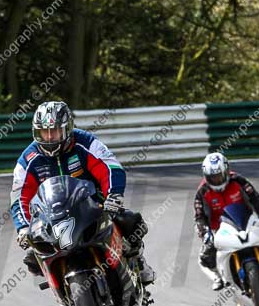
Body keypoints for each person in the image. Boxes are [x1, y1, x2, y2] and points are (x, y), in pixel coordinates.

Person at [10, 101, 154, 285]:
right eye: (43, 132)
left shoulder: (86, 142)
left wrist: (114, 196)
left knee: (131, 223)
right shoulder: (28, 159)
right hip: (53, 219)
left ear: (68, 128)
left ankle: (139, 261)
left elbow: (110, 167)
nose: (49, 137)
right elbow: (18, 196)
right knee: (33, 258)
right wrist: (23, 227)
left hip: (93, 207)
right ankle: (60, 289)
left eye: (54, 131)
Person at [194, 152, 259, 291]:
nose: (216, 180)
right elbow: (199, 216)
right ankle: (218, 277)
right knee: (206, 255)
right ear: (206, 176)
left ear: (226, 171)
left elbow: (255, 198)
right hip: (218, 228)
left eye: (219, 176)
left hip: (245, 220)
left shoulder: (238, 180)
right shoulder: (202, 191)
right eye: (212, 177)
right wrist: (205, 232)